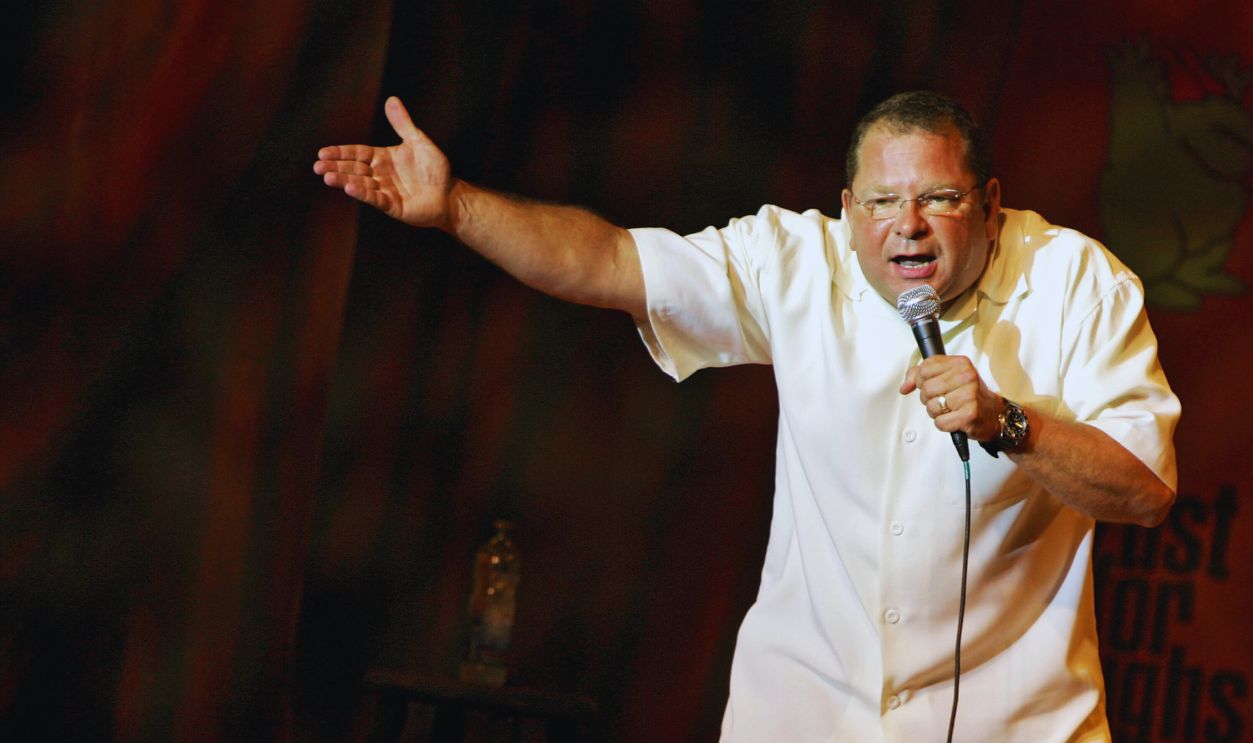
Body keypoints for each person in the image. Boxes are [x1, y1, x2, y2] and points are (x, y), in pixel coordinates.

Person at [315, 90, 1179, 742]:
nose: (905, 227)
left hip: (1014, 726)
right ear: (846, 211)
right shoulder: (795, 261)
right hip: (802, 714)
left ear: (990, 202)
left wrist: (1007, 425)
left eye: (938, 200)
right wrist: (456, 206)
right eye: (880, 203)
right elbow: (612, 261)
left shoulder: (1077, 286)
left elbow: (1144, 490)